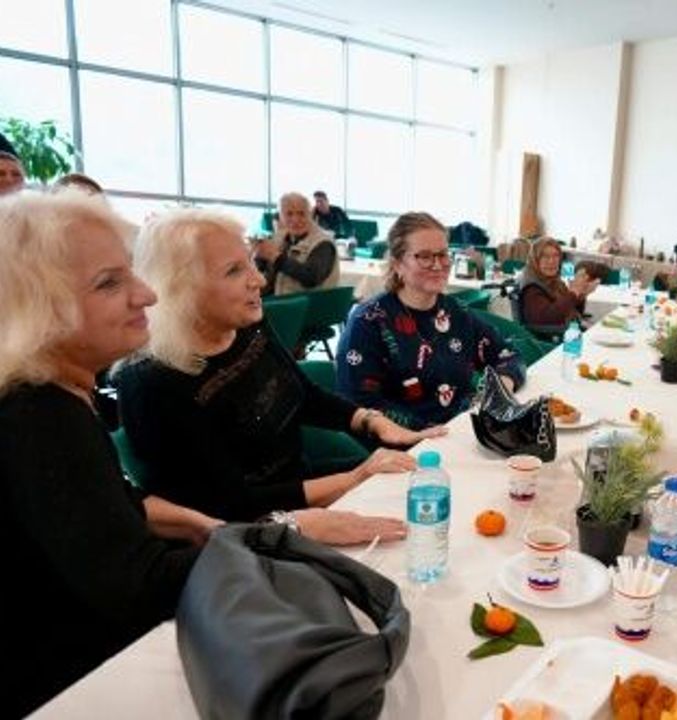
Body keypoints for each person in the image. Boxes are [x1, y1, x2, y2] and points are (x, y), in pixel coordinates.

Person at [0, 193, 403, 716]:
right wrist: (286, 532)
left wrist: (208, 528)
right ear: (35, 306)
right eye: (109, 282)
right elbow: (140, 586)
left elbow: (115, 501)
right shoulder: (38, 416)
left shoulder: (58, 394)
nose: (145, 294)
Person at [116, 209, 439, 522]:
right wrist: (355, 478)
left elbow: (302, 394)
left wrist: (371, 421)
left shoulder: (246, 324)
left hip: (303, 485)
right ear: (179, 290)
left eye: (251, 264)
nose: (258, 279)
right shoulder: (151, 383)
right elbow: (226, 505)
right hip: (254, 527)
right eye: (233, 271)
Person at [336, 211, 527, 430]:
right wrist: (431, 432)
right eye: (425, 256)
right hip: (403, 447)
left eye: (443, 254)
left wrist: (503, 384)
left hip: (461, 433)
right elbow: (359, 405)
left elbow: (510, 356)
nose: (438, 265)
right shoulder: (368, 321)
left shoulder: (457, 313)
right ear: (398, 264)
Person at [254, 191, 339, 295]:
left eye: (301, 214)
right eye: (289, 214)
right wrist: (259, 258)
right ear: (280, 217)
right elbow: (264, 274)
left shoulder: (324, 242)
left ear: (311, 215)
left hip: (306, 307)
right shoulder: (279, 237)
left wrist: (276, 258)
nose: (295, 220)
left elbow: (311, 278)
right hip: (275, 302)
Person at [516, 237, 599, 331]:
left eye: (556, 256)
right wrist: (573, 292)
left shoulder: (555, 281)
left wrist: (581, 294)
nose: (551, 261)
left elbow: (571, 310)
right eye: (545, 256)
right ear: (535, 259)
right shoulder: (532, 288)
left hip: (568, 332)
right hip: (552, 340)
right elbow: (548, 319)